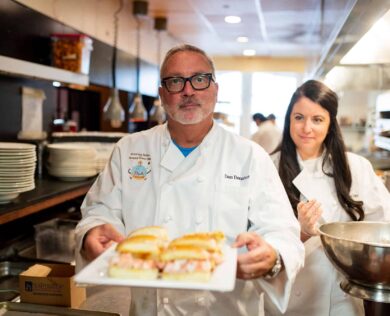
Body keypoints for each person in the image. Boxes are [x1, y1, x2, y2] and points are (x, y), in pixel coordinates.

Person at [75, 44, 304, 315]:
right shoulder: (130, 150)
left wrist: (273, 256)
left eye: (199, 79)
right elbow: (99, 211)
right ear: (162, 94)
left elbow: (282, 231)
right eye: (175, 81)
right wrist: (93, 231)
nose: (188, 90)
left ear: (215, 89)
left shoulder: (249, 156)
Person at [264, 79, 390, 316]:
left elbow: (382, 227)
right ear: (288, 120)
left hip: (340, 299)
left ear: (331, 123)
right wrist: (299, 231)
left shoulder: (356, 168)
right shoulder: (268, 168)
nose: (306, 128)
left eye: (317, 119)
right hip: (285, 301)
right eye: (299, 117)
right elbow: (257, 237)